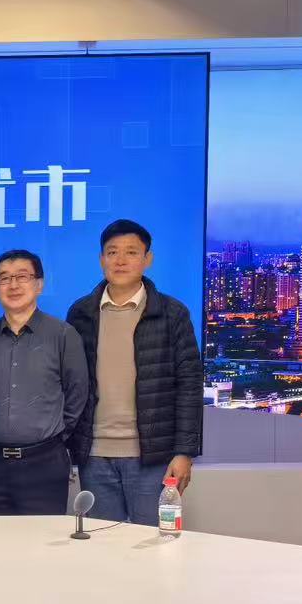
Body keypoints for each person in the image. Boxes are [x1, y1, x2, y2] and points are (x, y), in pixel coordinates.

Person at [66, 219, 204, 526]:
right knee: (102, 543)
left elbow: (190, 385)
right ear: (101, 259)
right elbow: (70, 384)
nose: (120, 260)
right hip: (94, 455)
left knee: (154, 542)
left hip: (153, 458)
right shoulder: (81, 313)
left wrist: (184, 452)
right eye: (112, 252)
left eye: (131, 252)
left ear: (147, 259)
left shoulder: (172, 313)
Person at [0, 248, 90, 516]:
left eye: (22, 276)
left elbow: (77, 393)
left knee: (42, 540)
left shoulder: (63, 334)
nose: (13, 285)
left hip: (44, 464)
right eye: (4, 278)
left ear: (39, 284)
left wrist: (53, 437)